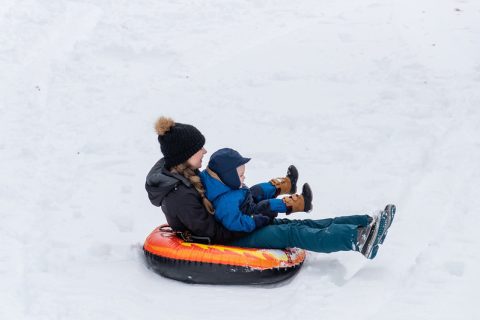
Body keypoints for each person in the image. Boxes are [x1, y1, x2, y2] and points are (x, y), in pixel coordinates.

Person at [145, 117, 396, 259]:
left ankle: (364, 222)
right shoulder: (179, 195)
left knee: (297, 226)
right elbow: (214, 232)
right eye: (200, 149)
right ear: (185, 155)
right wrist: (256, 219)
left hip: (240, 224)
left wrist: (255, 210)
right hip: (234, 236)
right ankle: (357, 239)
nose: (205, 151)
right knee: (291, 233)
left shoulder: (189, 176)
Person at [199, 147, 313, 233]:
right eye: (241, 175)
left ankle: (288, 184)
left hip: (244, 200)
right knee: (266, 205)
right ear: (228, 177)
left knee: (258, 190)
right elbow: (234, 222)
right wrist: (254, 221)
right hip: (250, 214)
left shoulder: (219, 179)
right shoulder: (225, 203)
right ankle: (302, 203)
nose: (244, 177)